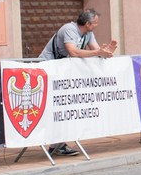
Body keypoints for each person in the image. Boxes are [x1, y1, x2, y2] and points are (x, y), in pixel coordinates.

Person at [38, 8, 118, 156]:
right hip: (48, 70)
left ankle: (57, 145)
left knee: (66, 108)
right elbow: (73, 52)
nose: (96, 25)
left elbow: (96, 51)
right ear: (87, 23)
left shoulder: (88, 33)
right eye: (95, 23)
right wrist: (98, 52)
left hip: (64, 74)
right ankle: (51, 142)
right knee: (53, 107)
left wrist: (106, 52)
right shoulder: (69, 29)